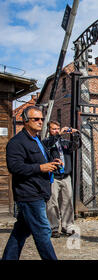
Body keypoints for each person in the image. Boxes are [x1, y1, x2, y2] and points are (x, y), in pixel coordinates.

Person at [2, 106, 60, 260]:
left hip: (40, 192)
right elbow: (14, 166)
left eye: (41, 119)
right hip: (29, 195)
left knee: (20, 231)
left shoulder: (37, 140)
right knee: (42, 232)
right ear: (25, 121)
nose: (40, 122)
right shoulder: (17, 142)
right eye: (36, 119)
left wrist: (52, 163)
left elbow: (39, 161)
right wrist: (40, 167)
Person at [43, 121, 81, 238]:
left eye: (58, 128)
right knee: (52, 202)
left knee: (67, 201)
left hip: (66, 176)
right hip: (53, 177)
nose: (56, 130)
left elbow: (75, 146)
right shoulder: (46, 142)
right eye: (54, 129)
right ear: (49, 130)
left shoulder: (64, 142)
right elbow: (50, 143)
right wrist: (58, 134)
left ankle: (67, 226)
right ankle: (53, 227)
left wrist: (76, 135)